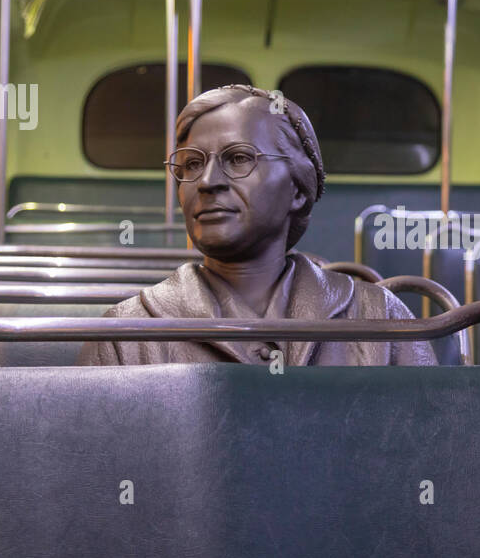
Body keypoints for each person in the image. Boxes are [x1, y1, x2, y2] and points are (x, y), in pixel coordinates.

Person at [78, 85, 436, 366]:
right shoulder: (123, 334)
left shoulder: (381, 320)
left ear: (297, 189)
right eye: (190, 165)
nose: (206, 182)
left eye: (238, 159)